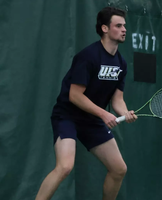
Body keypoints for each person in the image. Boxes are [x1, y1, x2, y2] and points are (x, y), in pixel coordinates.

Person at [35, 7, 137, 200]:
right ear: (105, 28)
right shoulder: (88, 56)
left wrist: (125, 112)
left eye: (124, 25)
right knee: (65, 167)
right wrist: (104, 114)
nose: (124, 29)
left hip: (92, 120)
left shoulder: (121, 64)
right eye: (118, 25)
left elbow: (117, 100)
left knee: (118, 169)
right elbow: (75, 95)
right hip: (68, 116)